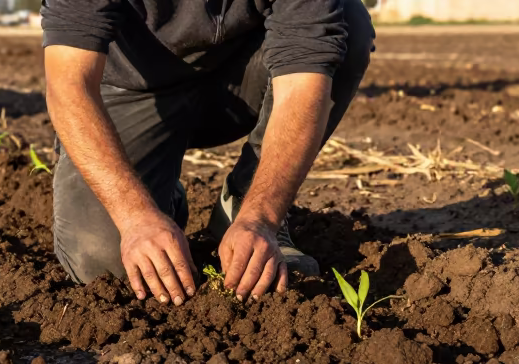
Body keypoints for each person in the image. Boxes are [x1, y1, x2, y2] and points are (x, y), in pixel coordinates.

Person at [41, 0, 375, 303]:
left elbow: (303, 86)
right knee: (103, 263)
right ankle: (161, 195)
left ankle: (243, 201)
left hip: (245, 72)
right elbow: (69, 85)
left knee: (348, 22)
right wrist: (136, 216)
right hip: (132, 87)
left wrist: (261, 219)